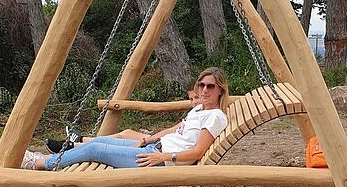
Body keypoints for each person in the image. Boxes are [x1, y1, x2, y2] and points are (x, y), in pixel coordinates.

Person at [22, 67, 229, 170]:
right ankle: (62, 152)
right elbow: (176, 128)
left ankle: (40, 164)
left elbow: (198, 152)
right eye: (201, 85)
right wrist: (148, 139)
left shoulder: (215, 116)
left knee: (95, 150)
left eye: (210, 86)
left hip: (157, 161)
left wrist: (163, 157)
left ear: (220, 90)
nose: (204, 90)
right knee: (102, 140)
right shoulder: (199, 109)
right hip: (154, 149)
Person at [44, 82, 200, 153]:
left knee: (116, 142)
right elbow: (173, 129)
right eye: (191, 99)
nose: (193, 102)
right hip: (163, 141)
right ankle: (80, 140)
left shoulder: (207, 116)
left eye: (196, 98)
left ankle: (72, 146)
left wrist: (147, 140)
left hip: (166, 147)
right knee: (125, 132)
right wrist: (149, 139)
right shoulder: (195, 113)